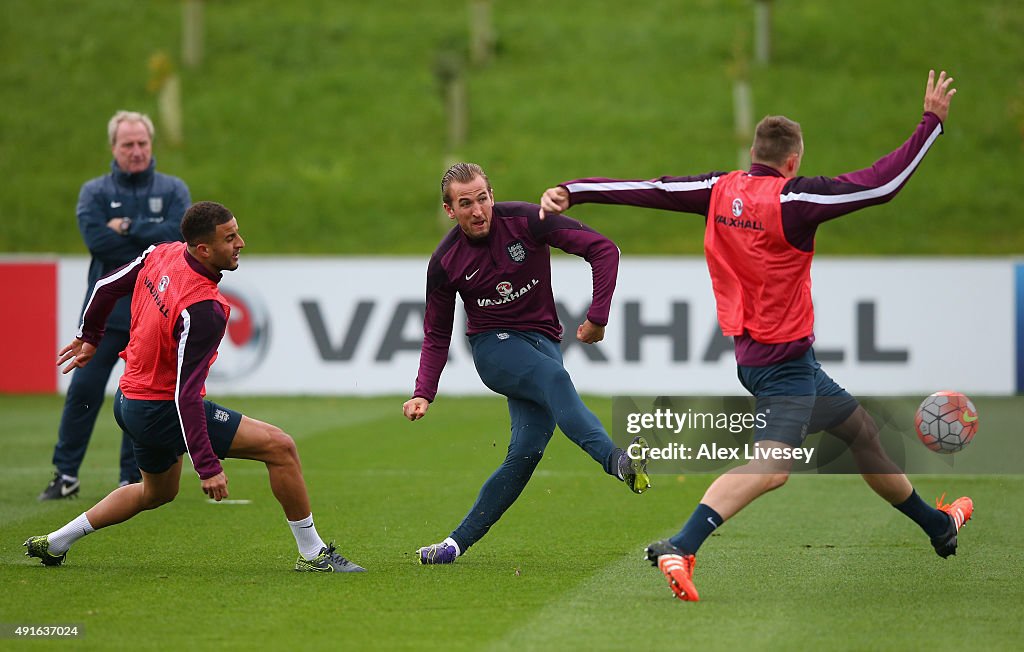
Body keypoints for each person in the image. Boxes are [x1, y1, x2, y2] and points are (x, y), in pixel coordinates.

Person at [539, 70, 972, 601]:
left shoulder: (718, 189)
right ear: (793, 161)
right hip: (782, 363)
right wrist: (931, 123)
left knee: (861, 433)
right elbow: (881, 184)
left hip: (763, 356)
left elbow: (652, 188)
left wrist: (573, 191)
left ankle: (937, 526)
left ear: (754, 152)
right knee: (772, 469)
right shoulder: (795, 201)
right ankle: (682, 543)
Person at [25, 201, 364, 573]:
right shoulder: (203, 308)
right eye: (230, 237)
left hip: (128, 401)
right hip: (159, 409)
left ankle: (55, 542)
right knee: (281, 447)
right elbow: (184, 395)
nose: (241, 243)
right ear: (203, 249)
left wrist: (90, 335)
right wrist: (207, 466)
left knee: (156, 493)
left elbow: (105, 286)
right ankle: (314, 555)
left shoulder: (163, 252)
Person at [404, 162, 650, 564]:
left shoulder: (527, 221)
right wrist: (423, 392)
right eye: (465, 203)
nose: (477, 210)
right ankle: (619, 461)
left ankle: (452, 546)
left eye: (482, 198)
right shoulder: (446, 261)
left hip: (543, 344)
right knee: (554, 378)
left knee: (525, 454)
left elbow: (604, 249)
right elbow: (436, 333)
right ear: (450, 210)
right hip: (494, 349)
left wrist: (598, 316)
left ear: (492, 195)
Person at [40, 110, 191, 500]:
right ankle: (66, 475)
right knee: (84, 391)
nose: (137, 151)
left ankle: (132, 478)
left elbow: (177, 239)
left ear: (151, 144)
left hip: (154, 316)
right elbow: (99, 243)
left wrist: (125, 227)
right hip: (103, 316)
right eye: (128, 144)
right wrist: (148, 238)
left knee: (144, 398)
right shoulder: (95, 192)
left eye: (142, 143)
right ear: (113, 147)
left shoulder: (174, 189)